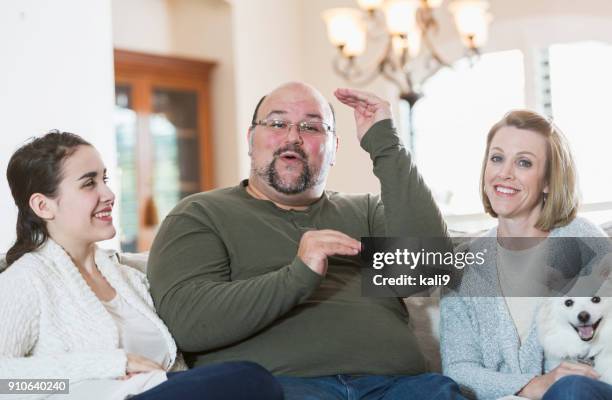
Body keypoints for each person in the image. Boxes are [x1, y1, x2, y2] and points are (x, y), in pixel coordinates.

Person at [146, 82, 466, 400]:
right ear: (250, 139)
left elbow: (429, 270)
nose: (292, 137)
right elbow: (189, 321)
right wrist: (298, 275)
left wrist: (386, 143)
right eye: (277, 123)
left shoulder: (367, 211)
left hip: (400, 386)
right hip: (283, 387)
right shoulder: (201, 214)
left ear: (334, 149)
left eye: (312, 127)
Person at [0, 131, 283, 400]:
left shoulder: (129, 277)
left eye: (104, 179)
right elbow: (5, 382)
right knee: (249, 379)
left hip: (162, 390)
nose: (109, 193)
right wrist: (112, 364)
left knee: (252, 380)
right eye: (89, 183)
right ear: (43, 206)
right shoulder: (27, 279)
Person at [440, 110, 612, 400]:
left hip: (586, 391)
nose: (504, 173)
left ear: (548, 181)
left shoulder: (583, 240)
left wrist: (557, 383)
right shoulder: (465, 263)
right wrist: (533, 385)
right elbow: (459, 369)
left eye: (524, 162)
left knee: (569, 389)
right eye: (497, 158)